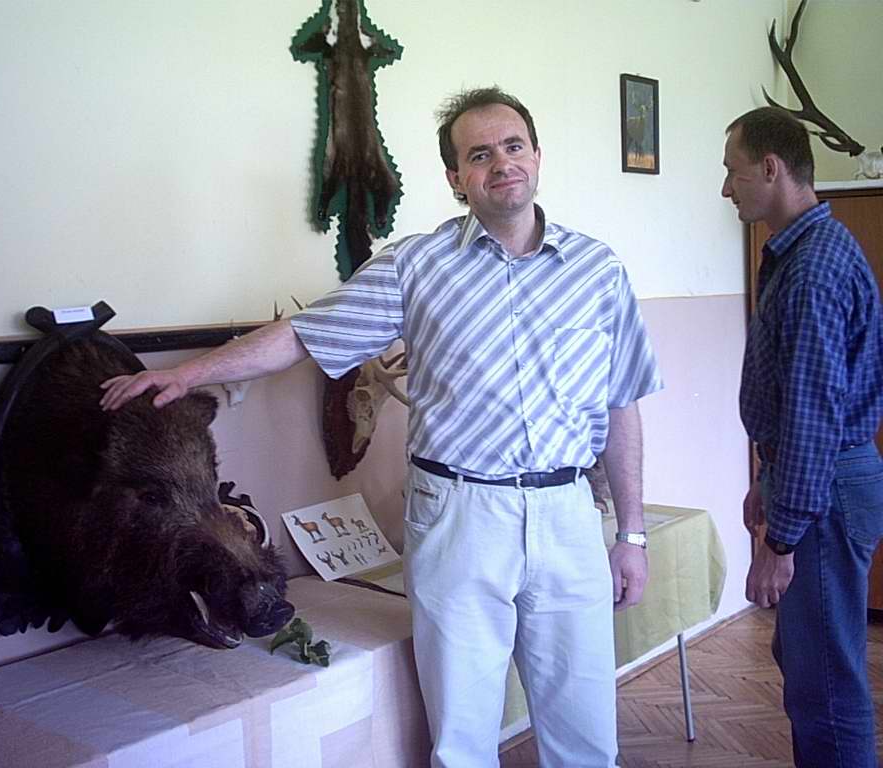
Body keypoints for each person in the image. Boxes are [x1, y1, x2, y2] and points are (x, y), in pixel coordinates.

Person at [102, 86, 662, 767]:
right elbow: (302, 335)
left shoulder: (598, 272)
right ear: (456, 178)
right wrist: (190, 374)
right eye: (479, 154)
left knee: (585, 736)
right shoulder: (415, 266)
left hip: (567, 514)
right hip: (459, 517)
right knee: (461, 739)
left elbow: (622, 405)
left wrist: (632, 534)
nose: (501, 163)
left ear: (537, 157)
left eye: (513, 146)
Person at [723, 106, 883, 768]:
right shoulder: (805, 251)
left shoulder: (814, 267)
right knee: (807, 659)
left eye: (732, 172)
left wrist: (781, 541)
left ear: (770, 168)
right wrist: (768, 481)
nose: (726, 189)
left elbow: (813, 416)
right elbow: (797, 403)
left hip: (827, 487)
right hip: (819, 480)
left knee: (824, 687)